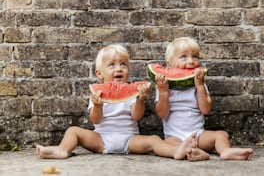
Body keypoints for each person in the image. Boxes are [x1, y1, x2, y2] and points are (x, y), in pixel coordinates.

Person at [36, 44, 196, 159]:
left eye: (123, 65)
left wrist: (140, 100)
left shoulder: (133, 91)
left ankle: (176, 152)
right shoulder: (98, 92)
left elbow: (136, 116)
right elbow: (95, 120)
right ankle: (62, 150)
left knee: (154, 140)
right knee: (73, 131)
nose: (118, 69)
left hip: (130, 138)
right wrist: (98, 106)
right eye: (111, 65)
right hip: (102, 139)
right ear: (100, 73)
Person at [154, 37, 254, 161]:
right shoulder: (163, 86)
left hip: (199, 135)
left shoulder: (199, 84)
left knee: (221, 135)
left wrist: (200, 86)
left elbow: (206, 109)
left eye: (195, 56)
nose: (191, 61)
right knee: (163, 145)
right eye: (183, 57)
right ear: (169, 64)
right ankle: (194, 153)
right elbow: (162, 114)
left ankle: (225, 151)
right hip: (174, 137)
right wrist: (163, 92)